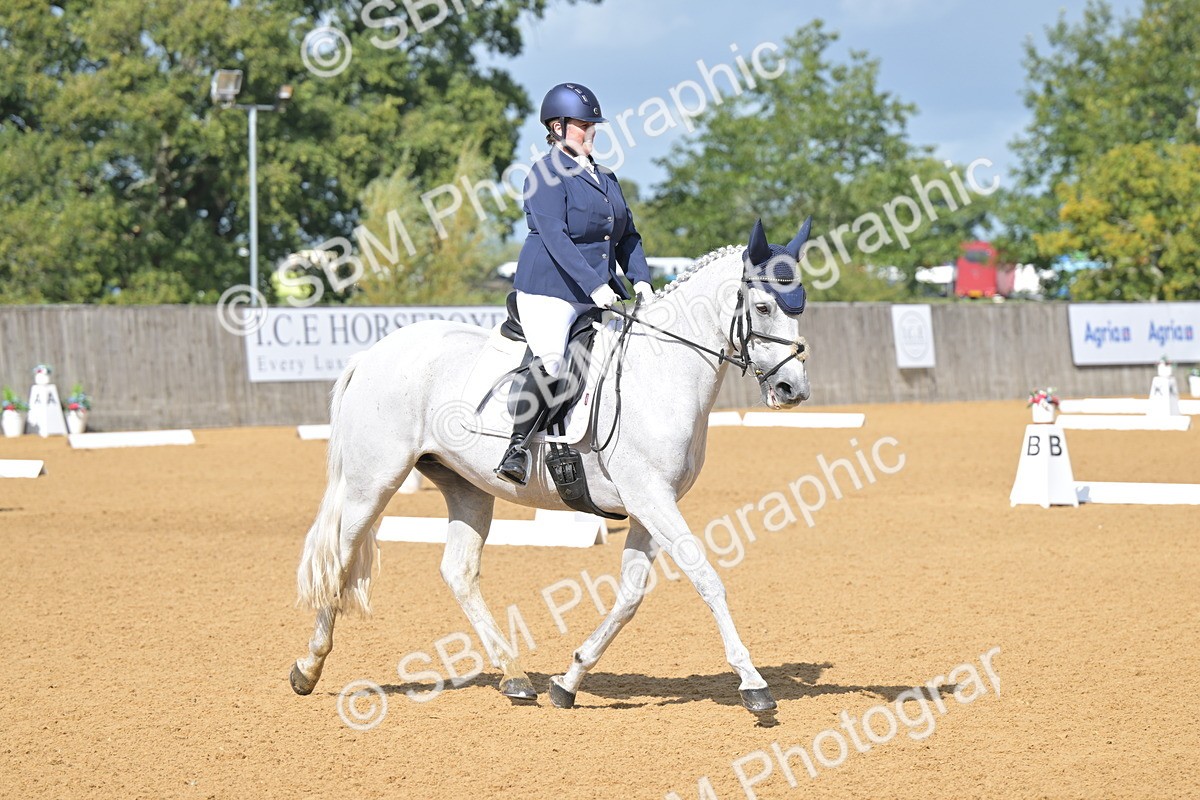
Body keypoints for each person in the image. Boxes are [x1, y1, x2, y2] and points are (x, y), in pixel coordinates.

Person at [494, 82, 654, 486]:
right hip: (551, 290)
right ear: (558, 126)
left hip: (598, 288)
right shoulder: (543, 175)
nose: (592, 130)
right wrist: (594, 286)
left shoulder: (607, 178)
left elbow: (626, 235)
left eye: (592, 123)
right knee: (554, 364)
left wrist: (642, 281)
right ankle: (517, 447)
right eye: (583, 124)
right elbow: (555, 237)